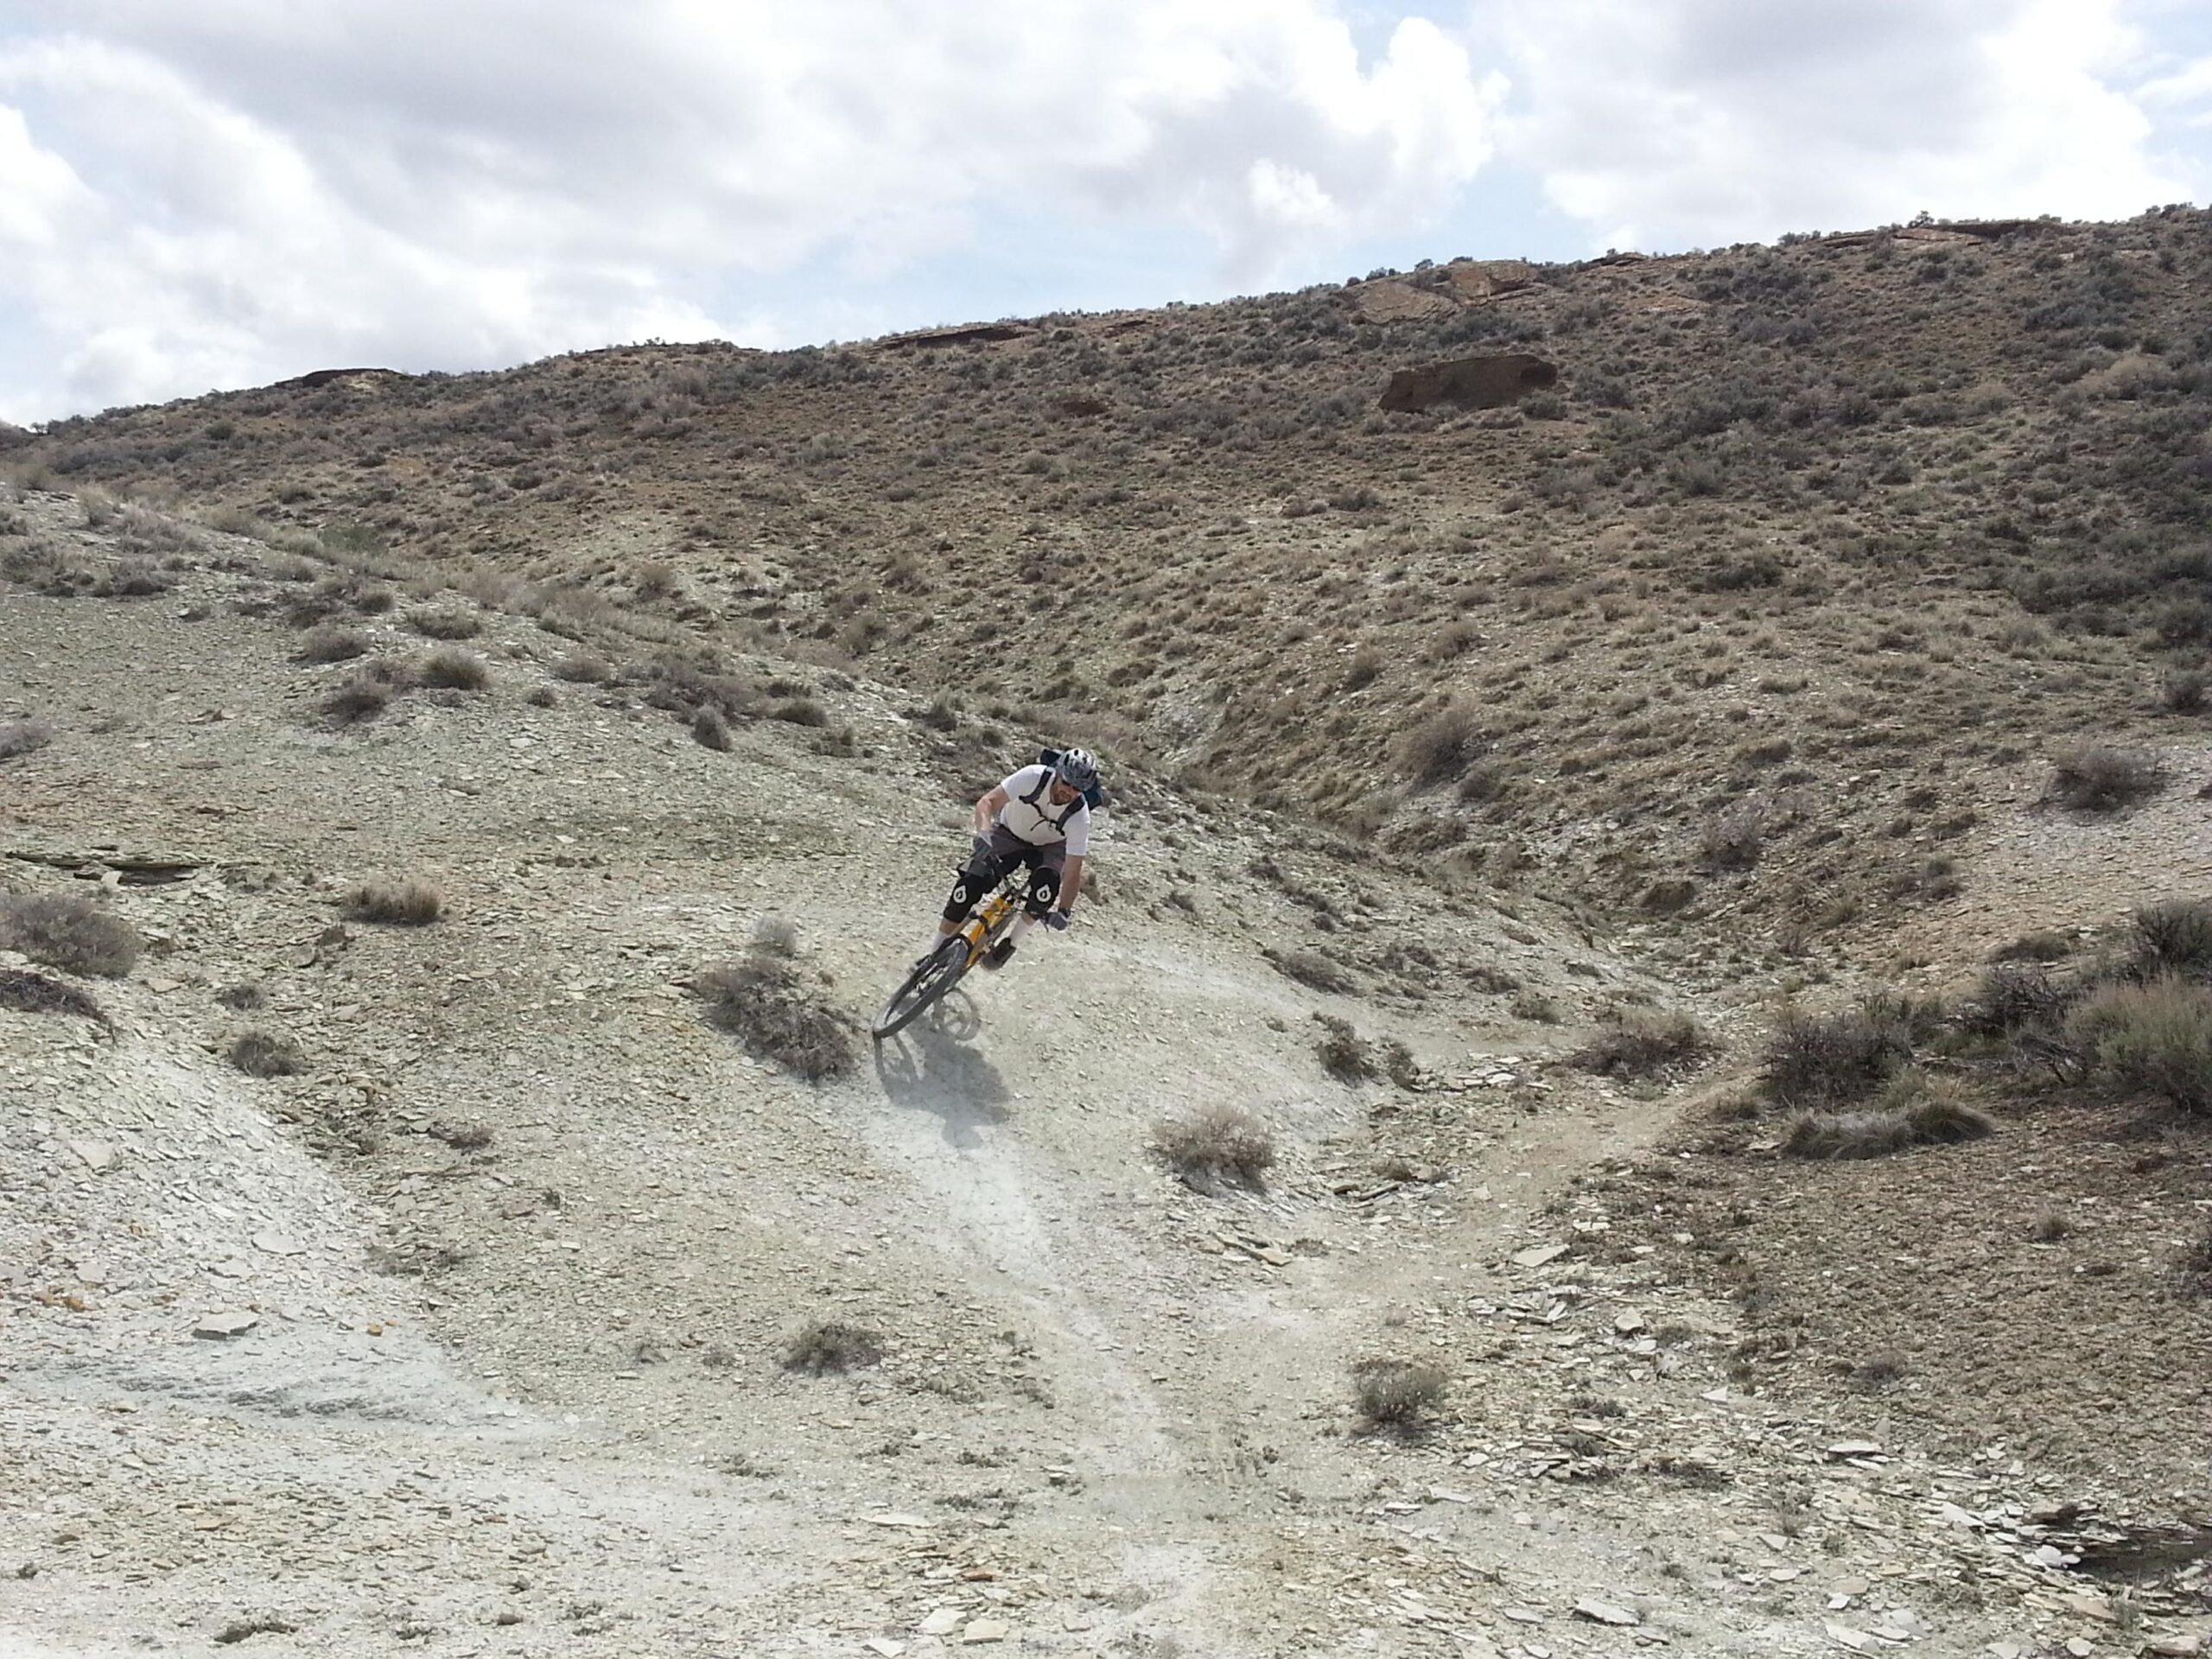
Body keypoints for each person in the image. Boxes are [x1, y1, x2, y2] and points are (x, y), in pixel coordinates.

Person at [923, 748, 1098, 970]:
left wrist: (1064, 911)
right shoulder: (1032, 777)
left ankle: (1010, 943)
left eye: (1077, 788)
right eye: (1066, 782)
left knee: (1044, 892)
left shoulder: (1080, 817)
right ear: (1058, 773)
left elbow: (1073, 872)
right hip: (1009, 832)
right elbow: (987, 802)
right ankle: (933, 955)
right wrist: (983, 835)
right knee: (969, 884)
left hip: (1050, 847)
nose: (1069, 791)